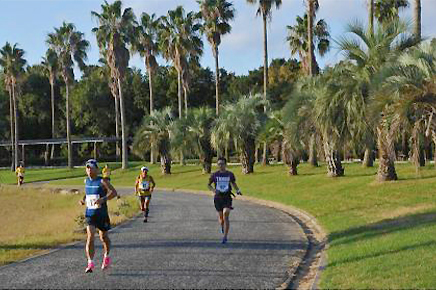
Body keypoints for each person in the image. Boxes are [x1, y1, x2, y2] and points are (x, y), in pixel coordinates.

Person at [79, 159, 118, 273]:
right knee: (90, 236)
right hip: (90, 214)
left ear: (97, 169)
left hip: (101, 214)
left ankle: (106, 256)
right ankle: (90, 263)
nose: (89, 170)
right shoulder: (86, 181)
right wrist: (82, 200)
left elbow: (114, 192)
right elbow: (87, 194)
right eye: (87, 168)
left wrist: (103, 199)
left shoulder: (102, 181)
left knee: (103, 238)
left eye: (91, 167)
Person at [208, 157, 242, 244]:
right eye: (219, 164)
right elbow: (209, 185)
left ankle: (225, 237)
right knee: (221, 218)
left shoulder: (230, 174)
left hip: (227, 197)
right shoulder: (214, 175)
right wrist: (213, 190)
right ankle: (222, 225)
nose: (220, 165)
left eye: (222, 164)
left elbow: (233, 183)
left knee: (225, 214)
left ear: (225, 164)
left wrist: (237, 190)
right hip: (218, 198)